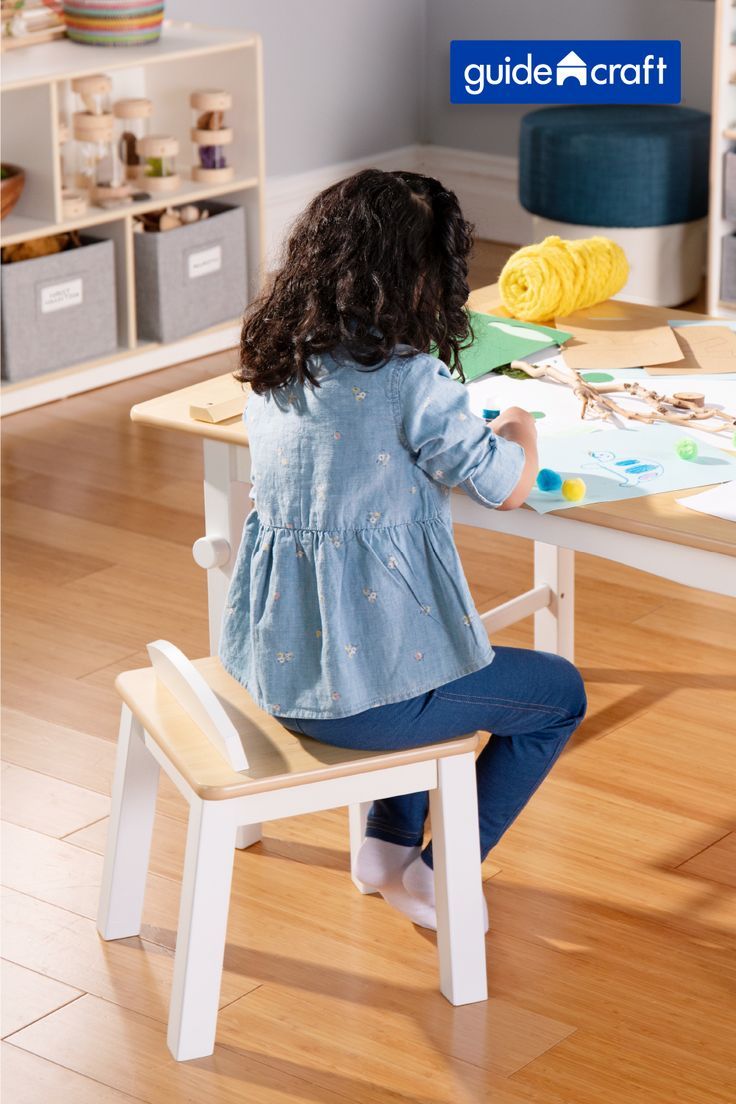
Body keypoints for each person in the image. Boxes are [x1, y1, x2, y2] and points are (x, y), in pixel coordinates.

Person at [220, 169, 587, 930]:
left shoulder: (276, 364)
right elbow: (506, 484)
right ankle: (439, 872)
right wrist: (519, 420)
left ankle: (384, 849)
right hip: (366, 700)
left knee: (406, 644)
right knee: (557, 695)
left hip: (278, 669)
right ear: (429, 280)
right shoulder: (411, 379)